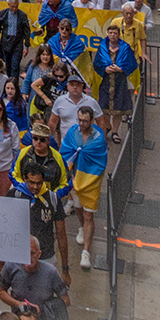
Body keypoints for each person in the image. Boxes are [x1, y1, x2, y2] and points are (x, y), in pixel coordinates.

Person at [60, 107, 108, 271]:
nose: (81, 123)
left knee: (89, 215)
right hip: (74, 180)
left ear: (92, 120)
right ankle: (82, 228)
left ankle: (86, 251)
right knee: (79, 209)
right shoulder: (72, 133)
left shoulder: (98, 137)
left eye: (85, 121)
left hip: (91, 182)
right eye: (79, 120)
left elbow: (100, 161)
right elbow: (65, 154)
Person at [13, 160, 71, 281]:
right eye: (31, 182)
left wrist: (65, 269)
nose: (35, 187)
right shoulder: (15, 196)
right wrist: (2, 262)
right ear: (24, 179)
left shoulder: (53, 199)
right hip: (19, 257)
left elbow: (61, 233)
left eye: (39, 183)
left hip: (45, 258)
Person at [93, 24, 139, 142]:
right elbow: (97, 63)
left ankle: (115, 131)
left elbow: (132, 63)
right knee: (104, 107)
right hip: (106, 82)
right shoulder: (102, 46)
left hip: (120, 82)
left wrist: (121, 69)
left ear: (118, 34)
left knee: (119, 109)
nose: (112, 35)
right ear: (107, 34)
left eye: (115, 33)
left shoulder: (125, 47)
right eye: (110, 33)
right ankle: (107, 126)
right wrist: (104, 69)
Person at [49, 74, 104, 143]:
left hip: (87, 143)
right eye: (72, 85)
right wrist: (49, 141)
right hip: (67, 143)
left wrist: (102, 141)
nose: (75, 87)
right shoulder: (60, 101)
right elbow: (53, 122)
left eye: (78, 85)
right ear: (67, 85)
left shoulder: (91, 102)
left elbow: (101, 122)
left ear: (82, 86)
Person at [0, 0, 30, 85]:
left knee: (15, 65)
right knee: (8, 64)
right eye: (12, 6)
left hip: (17, 43)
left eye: (16, 7)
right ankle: (9, 82)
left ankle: (14, 83)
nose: (14, 9)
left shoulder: (22, 15)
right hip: (6, 42)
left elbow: (26, 31)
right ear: (9, 5)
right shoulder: (3, 13)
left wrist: (26, 46)